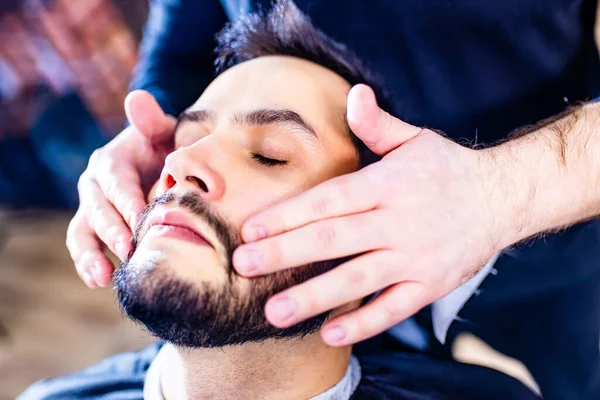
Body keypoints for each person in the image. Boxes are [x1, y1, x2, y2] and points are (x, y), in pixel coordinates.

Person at [66, 1, 600, 399]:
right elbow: (184, 27)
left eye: (270, 155)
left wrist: (503, 190)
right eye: (185, 145)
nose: (181, 167)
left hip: (556, 243)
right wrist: (162, 124)